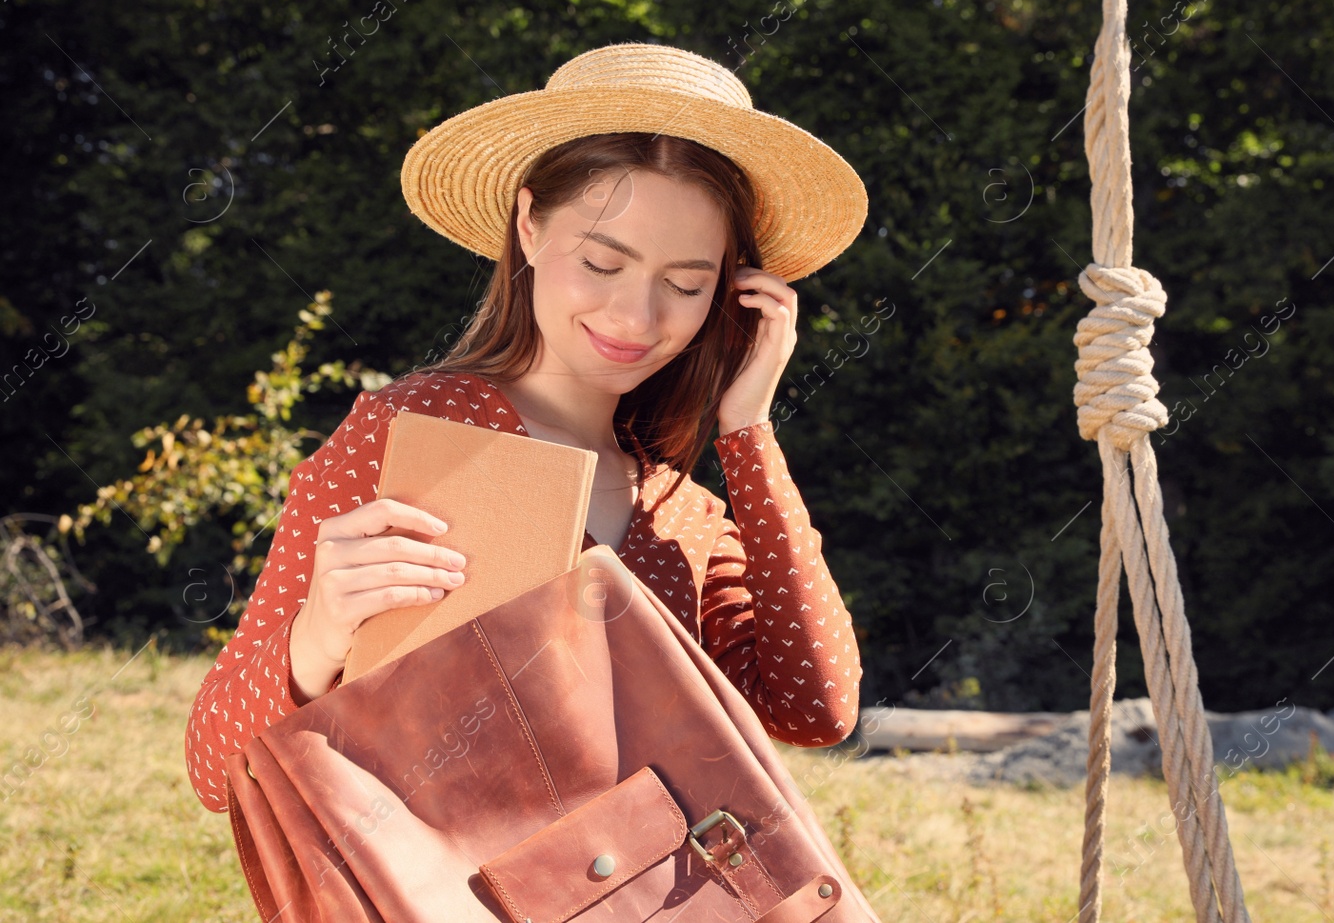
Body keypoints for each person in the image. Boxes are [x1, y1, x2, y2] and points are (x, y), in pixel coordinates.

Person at [184, 42, 872, 814]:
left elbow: (819, 707)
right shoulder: (411, 433)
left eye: (685, 283)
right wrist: (318, 635)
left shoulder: (686, 514)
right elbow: (217, 770)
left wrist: (748, 433)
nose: (636, 317)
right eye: (604, 263)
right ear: (529, 226)